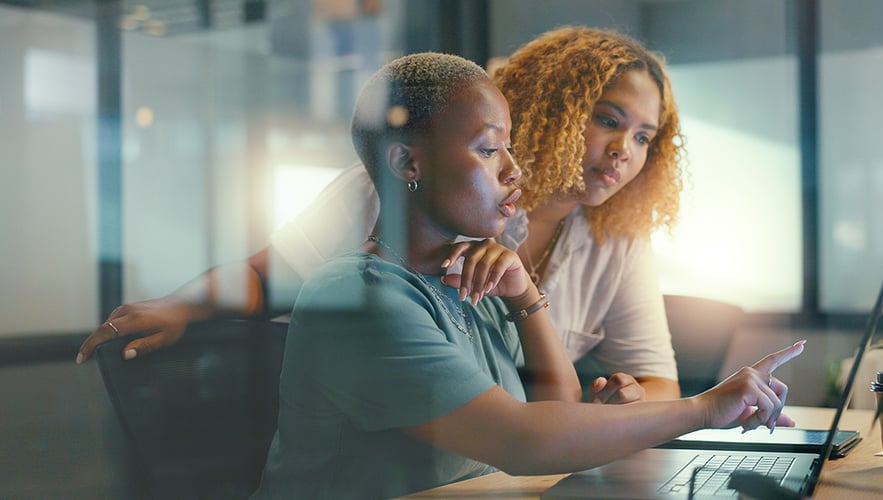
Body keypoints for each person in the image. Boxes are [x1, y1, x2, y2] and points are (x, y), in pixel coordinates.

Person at [249, 51, 805, 499]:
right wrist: (704, 409)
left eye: (508, 147)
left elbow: (554, 407)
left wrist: (524, 293)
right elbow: (520, 441)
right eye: (489, 149)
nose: (514, 170)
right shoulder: (359, 296)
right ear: (407, 165)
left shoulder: (470, 276)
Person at [77, 26, 684, 402]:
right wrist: (187, 303)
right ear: (551, 107)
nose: (622, 153)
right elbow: (267, 275)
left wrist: (626, 401)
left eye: (643, 138)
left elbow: (658, 383)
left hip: (512, 447)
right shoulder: (395, 191)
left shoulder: (617, 238)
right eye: (608, 120)